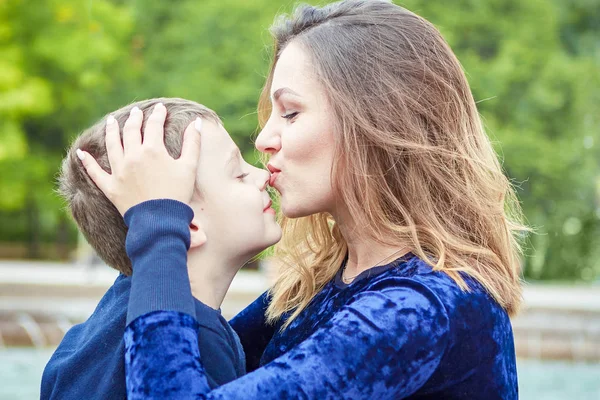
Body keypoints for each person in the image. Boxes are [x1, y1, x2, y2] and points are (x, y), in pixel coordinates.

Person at [81, 0, 526, 398]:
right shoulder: (326, 283)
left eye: (290, 113)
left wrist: (158, 222)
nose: (265, 138)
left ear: (376, 122)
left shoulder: (422, 309)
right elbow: (188, 359)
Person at [41, 98, 281, 399]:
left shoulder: (91, 334)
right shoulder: (193, 344)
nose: (262, 176)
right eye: (239, 173)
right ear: (186, 224)